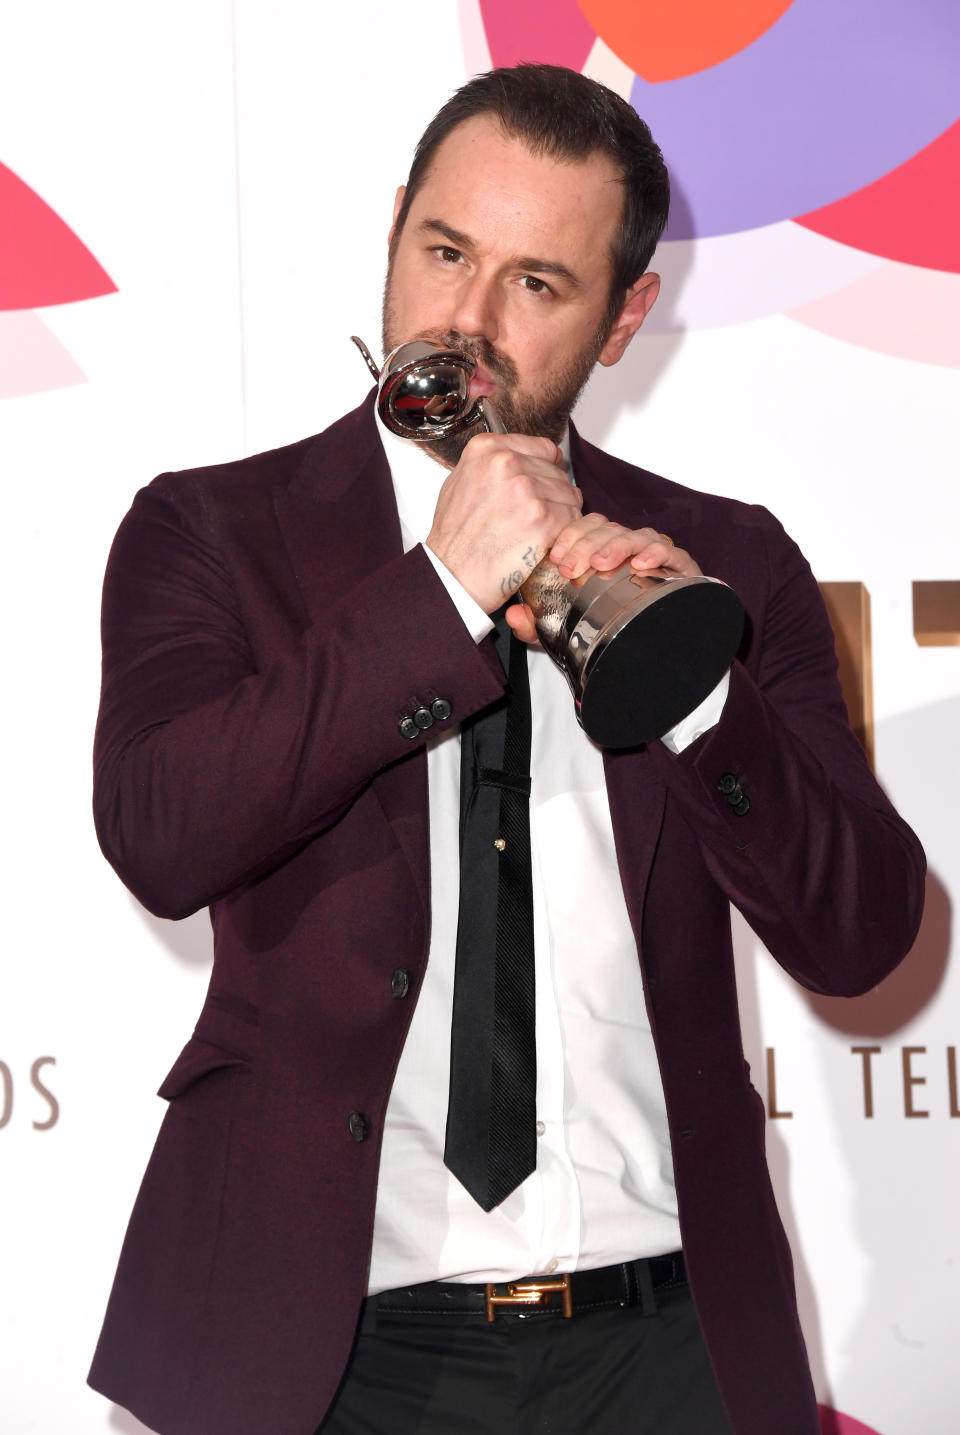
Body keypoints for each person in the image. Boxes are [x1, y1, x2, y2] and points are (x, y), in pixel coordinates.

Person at [88, 64, 924, 1435]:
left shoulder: (728, 560)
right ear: (395, 228)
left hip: (666, 1344)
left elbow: (864, 935)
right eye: (446, 252)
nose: (465, 322)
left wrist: (684, 676)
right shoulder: (211, 535)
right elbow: (164, 835)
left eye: (537, 283)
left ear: (623, 318)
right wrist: (438, 595)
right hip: (321, 1350)